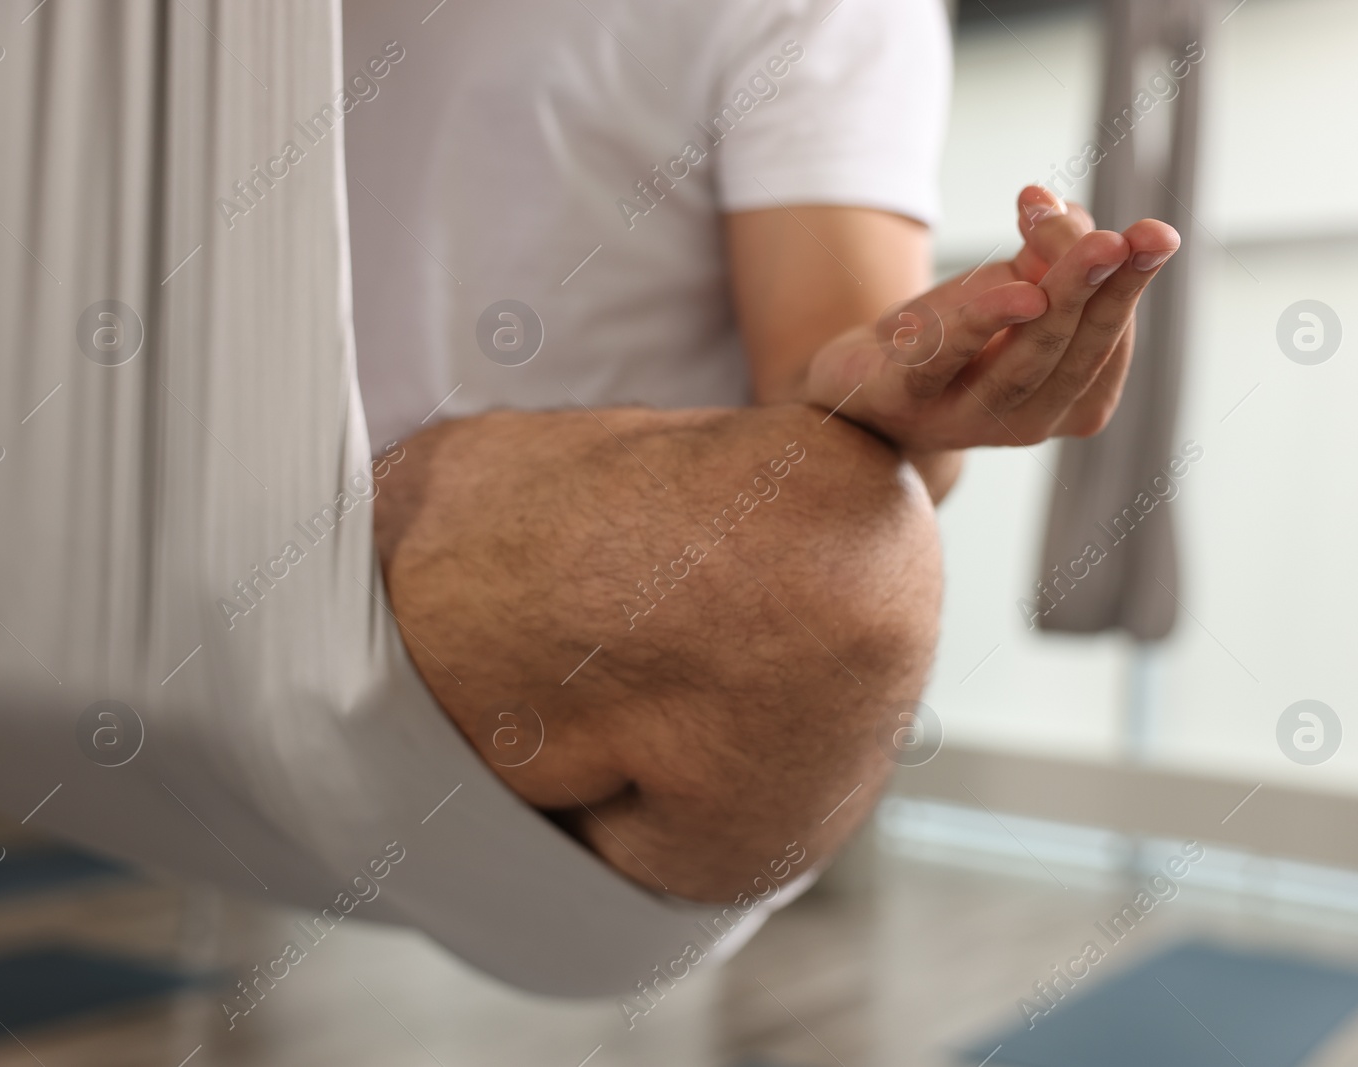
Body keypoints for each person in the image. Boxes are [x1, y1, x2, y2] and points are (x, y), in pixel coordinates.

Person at [345, 0, 1181, 901]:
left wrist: (911, 402)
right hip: (215, 524)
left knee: (838, 551)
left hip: (505, 573)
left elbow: (843, 401)